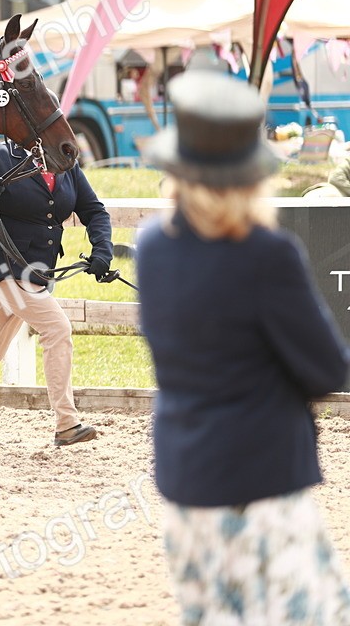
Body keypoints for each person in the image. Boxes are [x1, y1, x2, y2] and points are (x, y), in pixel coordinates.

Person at [138, 69, 350, 624]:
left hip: (186, 479)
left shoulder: (154, 245)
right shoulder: (264, 253)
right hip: (260, 481)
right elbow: (327, 369)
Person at [0, 140, 113, 451]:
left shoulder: (65, 163)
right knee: (57, 328)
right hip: (0, 263)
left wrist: (102, 251)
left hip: (35, 271)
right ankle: (66, 423)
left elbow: (94, 210)